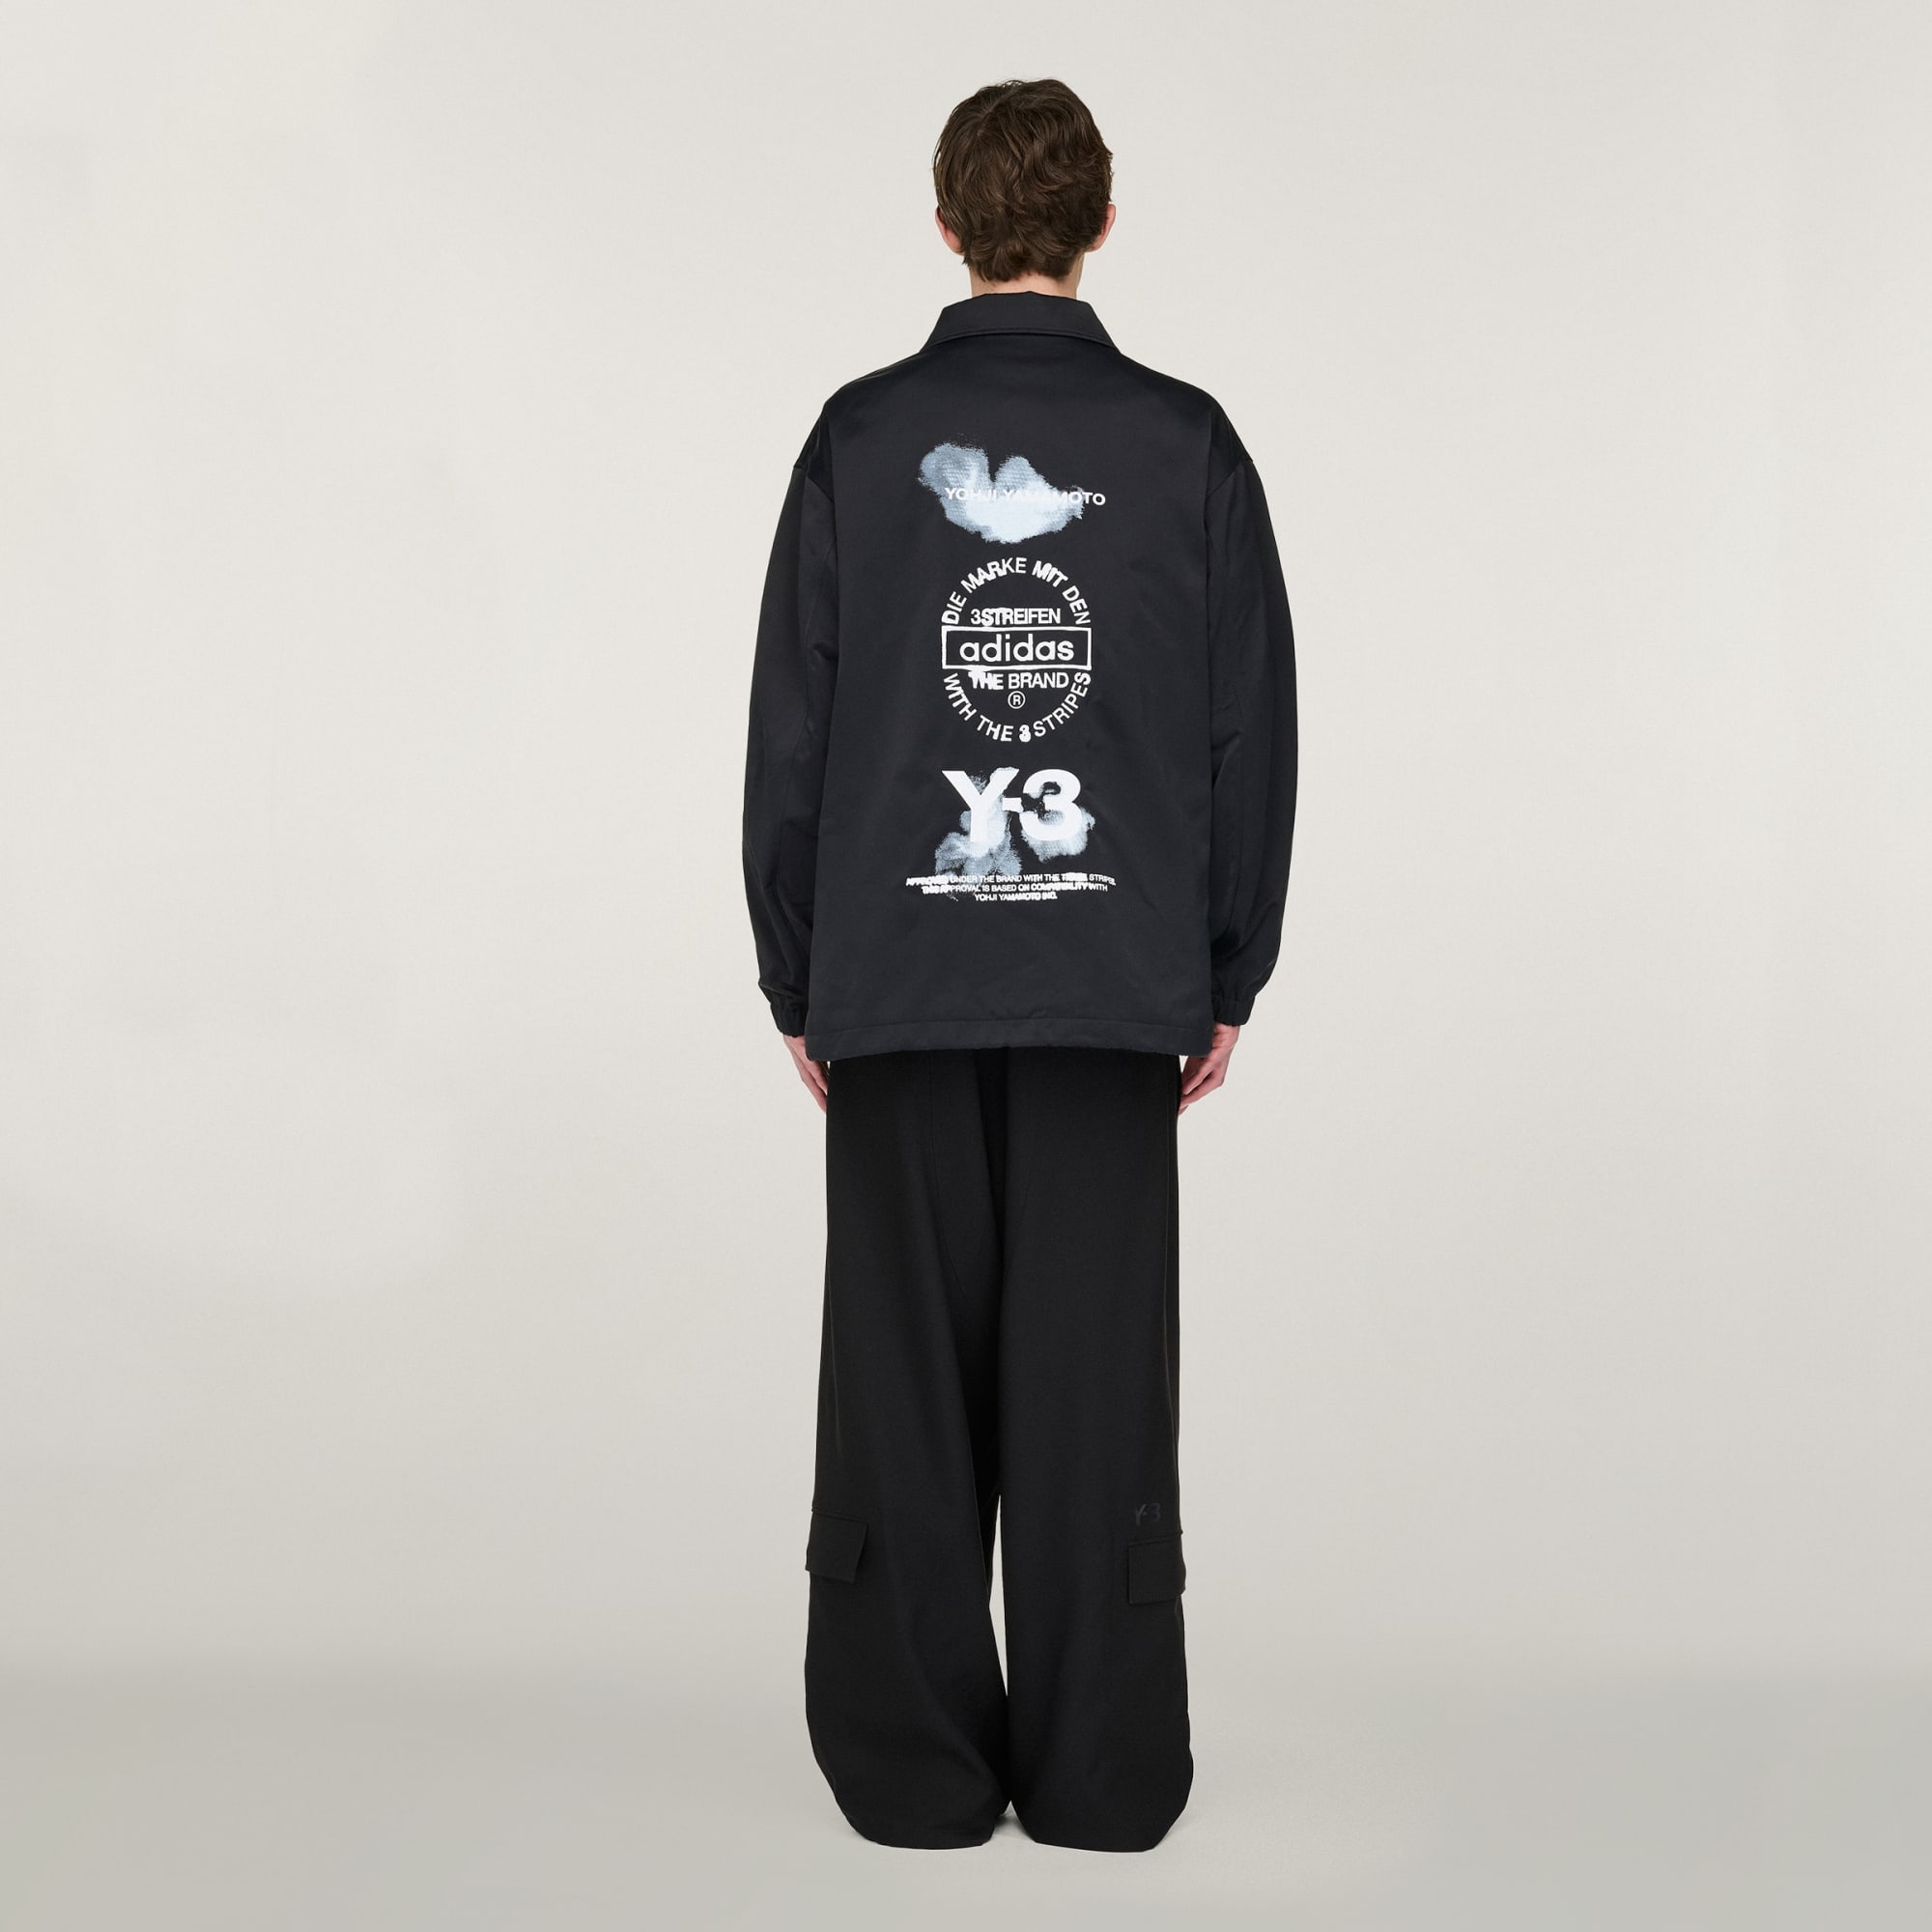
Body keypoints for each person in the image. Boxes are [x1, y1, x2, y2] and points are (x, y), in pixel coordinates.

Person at [740, 76, 1297, 1853]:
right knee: (1095, 1395)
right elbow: (1246, 732)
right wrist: (1226, 969)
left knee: (900, 1386)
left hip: (899, 982)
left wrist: (799, 972)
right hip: (1112, 984)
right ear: (1103, 223)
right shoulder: (1188, 446)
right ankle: (1101, 1774)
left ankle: (909, 1774)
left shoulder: (857, 440)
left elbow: (796, 730)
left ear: (946, 224)